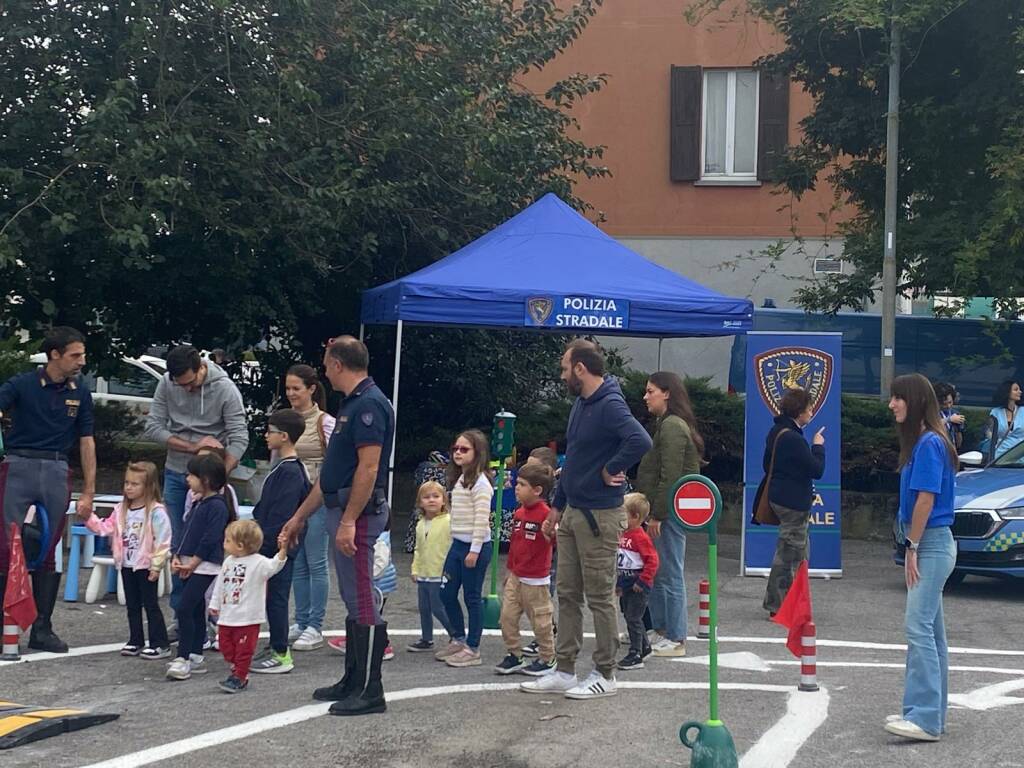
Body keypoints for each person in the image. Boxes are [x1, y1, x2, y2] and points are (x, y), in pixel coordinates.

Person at [522, 340, 652, 700]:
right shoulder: (581, 403)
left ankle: (606, 673)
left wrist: (612, 468)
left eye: (565, 368)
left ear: (580, 368)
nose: (563, 374)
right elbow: (575, 457)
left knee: (599, 596)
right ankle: (564, 669)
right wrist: (557, 507)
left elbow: (640, 440)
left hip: (599, 516)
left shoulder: (610, 403)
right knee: (567, 593)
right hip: (575, 512)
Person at [279, 336, 394, 717]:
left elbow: (369, 467)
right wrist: (299, 517)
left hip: (356, 513)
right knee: (352, 594)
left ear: (339, 365)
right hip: (340, 507)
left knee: (361, 594)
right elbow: (330, 475)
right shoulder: (353, 404)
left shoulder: (369, 406)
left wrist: (348, 520)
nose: (324, 370)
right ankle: (353, 679)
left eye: (327, 363)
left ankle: (369, 690)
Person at [0, 326, 96, 653]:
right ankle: (5, 627)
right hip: (19, 464)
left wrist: (89, 491)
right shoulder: (22, 384)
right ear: (54, 355)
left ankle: (42, 628)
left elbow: (87, 440)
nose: (81, 361)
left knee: (47, 548)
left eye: (82, 354)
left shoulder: (79, 392)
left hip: (56, 467)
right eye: (75, 355)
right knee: (7, 544)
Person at [144, 345, 248, 621]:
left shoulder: (225, 389)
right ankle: (183, 616)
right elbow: (153, 426)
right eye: (181, 385)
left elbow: (239, 437)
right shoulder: (168, 384)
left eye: (190, 383)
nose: (186, 389)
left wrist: (216, 477)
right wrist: (191, 447)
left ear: (201, 368)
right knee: (179, 544)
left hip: (211, 479)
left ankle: (215, 615)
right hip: (178, 471)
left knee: (212, 546)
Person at [884, 373, 958, 742]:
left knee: (917, 628)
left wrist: (911, 546)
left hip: (930, 544)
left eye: (898, 398)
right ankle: (928, 714)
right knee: (931, 633)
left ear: (914, 401)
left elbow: (926, 499)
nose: (892, 404)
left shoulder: (928, 443)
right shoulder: (928, 441)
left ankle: (925, 718)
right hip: (932, 543)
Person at [634, 371, 703, 658]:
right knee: (660, 572)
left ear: (667, 393)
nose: (645, 397)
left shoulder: (673, 426)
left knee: (670, 573)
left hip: (668, 512)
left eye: (651, 391)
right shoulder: (667, 424)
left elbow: (670, 475)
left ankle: (676, 637)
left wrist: (658, 514)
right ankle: (661, 630)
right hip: (664, 510)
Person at [79, 461, 171, 659]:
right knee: (132, 605)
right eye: (127, 482)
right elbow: (105, 528)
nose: (128, 487)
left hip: (146, 565)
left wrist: (157, 565)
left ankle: (160, 643)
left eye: (135, 484)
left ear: (148, 486)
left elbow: (163, 541)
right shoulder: (121, 509)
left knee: (151, 604)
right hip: (127, 564)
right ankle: (135, 640)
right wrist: (89, 518)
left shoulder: (156, 512)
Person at [250, 409, 310, 675]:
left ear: (284, 436)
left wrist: (268, 545)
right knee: (273, 597)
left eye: (270, 431)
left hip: (279, 547)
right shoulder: (286, 468)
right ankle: (276, 644)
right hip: (275, 544)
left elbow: (282, 515)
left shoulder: (290, 472)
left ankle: (281, 653)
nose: (266, 436)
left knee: (277, 598)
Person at [758, 387, 826, 617]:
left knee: (795, 550)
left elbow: (767, 465)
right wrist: (818, 446)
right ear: (799, 412)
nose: (811, 413)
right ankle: (778, 605)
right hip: (793, 502)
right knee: (790, 553)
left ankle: (789, 600)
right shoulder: (794, 438)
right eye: (809, 409)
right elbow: (816, 469)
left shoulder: (776, 431)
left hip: (779, 497)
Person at [167, 453, 235, 681]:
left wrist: (193, 561)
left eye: (192, 475)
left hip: (204, 566)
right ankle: (195, 654)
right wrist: (177, 556)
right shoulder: (199, 502)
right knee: (194, 610)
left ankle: (183, 657)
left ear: (205, 479)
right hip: (190, 561)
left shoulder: (216, 506)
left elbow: (210, 538)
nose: (187, 478)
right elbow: (186, 531)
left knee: (185, 608)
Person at [283, 364, 335, 652]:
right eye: (288, 388)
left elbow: (335, 463)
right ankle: (301, 620)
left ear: (312, 389)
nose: (291, 394)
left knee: (316, 562)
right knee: (298, 563)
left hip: (317, 499)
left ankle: (316, 624)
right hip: (292, 500)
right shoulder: (284, 421)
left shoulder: (324, 422)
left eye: (296, 388)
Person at [434, 429, 494, 669]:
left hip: (473, 547)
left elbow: (482, 520)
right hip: (458, 544)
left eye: (464, 449)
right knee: (446, 593)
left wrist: (475, 550)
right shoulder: (460, 479)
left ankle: (473, 647)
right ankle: (458, 637)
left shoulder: (481, 484)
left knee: (472, 597)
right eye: (455, 449)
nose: (457, 453)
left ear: (477, 453)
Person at [210, 520, 289, 693]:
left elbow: (274, 566)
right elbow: (220, 584)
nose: (224, 543)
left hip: (248, 617)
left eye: (227, 540)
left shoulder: (259, 562)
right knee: (225, 645)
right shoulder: (228, 562)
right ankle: (237, 668)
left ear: (239, 545)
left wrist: (282, 550)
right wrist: (215, 603)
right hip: (228, 615)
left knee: (244, 650)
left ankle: (240, 676)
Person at [495, 462, 557, 677]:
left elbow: (557, 542)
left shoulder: (547, 514)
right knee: (507, 617)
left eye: (521, 484)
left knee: (541, 621)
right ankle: (515, 655)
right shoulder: (519, 513)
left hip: (536, 580)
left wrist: (552, 534)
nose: (516, 488)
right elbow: (515, 544)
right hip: (516, 576)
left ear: (537, 490)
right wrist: (509, 570)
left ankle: (548, 658)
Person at [521, 446, 560, 659]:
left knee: (544, 594)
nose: (527, 469)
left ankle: (546, 637)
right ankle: (547, 632)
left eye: (532, 465)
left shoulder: (556, 488)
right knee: (537, 595)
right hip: (536, 544)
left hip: (552, 546)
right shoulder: (538, 487)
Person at [408, 481, 454, 652]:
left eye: (436, 496)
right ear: (420, 502)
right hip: (424, 573)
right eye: (426, 497)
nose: (431, 500)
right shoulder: (420, 524)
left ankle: (455, 634)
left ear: (444, 500)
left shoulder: (449, 521)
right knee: (424, 608)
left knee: (437, 607)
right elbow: (418, 549)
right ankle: (427, 638)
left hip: (440, 573)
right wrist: (415, 569)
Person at [616, 493, 659, 671]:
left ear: (635, 517)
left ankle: (636, 652)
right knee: (629, 615)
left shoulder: (640, 537)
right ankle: (645, 646)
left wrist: (643, 581)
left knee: (634, 618)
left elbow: (653, 561)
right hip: (626, 583)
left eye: (623, 514)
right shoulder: (624, 534)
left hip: (638, 584)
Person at [979, 380, 1024, 461]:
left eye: (1019, 389)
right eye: (1016, 389)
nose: (1020, 392)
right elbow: (990, 434)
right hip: (1001, 456)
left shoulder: (1023, 411)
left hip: (1021, 456)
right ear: (1007, 392)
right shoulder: (995, 412)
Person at [933, 383, 964, 452]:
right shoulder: (931, 413)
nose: (948, 406)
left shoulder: (955, 413)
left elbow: (959, 441)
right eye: (944, 404)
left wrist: (958, 429)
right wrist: (949, 419)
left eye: (950, 402)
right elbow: (931, 425)